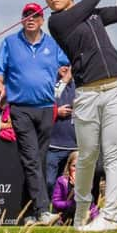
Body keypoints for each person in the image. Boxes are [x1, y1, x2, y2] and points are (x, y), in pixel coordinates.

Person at [42, 0, 117, 232]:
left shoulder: (91, 15)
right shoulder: (57, 22)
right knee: (87, 156)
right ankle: (82, 211)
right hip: (88, 93)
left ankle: (110, 217)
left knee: (114, 154)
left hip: (116, 85)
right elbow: (89, 3)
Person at [0, 2, 68, 226]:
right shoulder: (10, 42)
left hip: (46, 108)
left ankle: (28, 213)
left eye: (35, 15)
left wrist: (64, 81)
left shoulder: (53, 44)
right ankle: (43, 211)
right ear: (22, 19)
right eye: (27, 15)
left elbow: (70, 62)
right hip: (20, 108)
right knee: (31, 157)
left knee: (38, 161)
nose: (31, 18)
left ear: (42, 20)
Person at [46, 65, 77, 197]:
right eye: (62, 64)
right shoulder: (50, 83)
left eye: (68, 65)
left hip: (74, 146)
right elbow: (41, 109)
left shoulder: (79, 85)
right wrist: (57, 112)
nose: (65, 68)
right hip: (53, 145)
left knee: (70, 185)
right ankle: (46, 211)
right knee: (49, 182)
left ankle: (64, 214)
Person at [51, 151, 98, 225]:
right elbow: (56, 203)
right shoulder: (62, 180)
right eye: (74, 166)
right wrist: (69, 203)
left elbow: (91, 204)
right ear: (69, 166)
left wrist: (96, 218)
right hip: (65, 214)